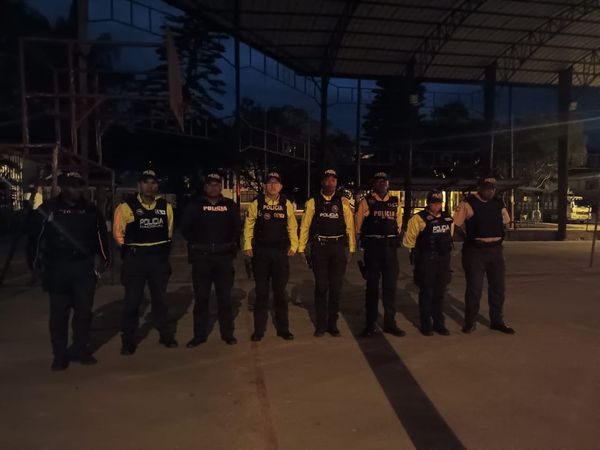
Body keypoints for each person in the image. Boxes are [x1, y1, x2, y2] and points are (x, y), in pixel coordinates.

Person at [31, 172, 110, 371]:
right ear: (63, 187)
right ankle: (59, 355)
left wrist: (104, 260)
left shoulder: (91, 210)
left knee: (84, 312)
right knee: (59, 314)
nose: (77, 189)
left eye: (79, 185)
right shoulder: (49, 208)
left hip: (83, 269)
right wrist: (36, 265)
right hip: (57, 268)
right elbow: (34, 239)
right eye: (72, 185)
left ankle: (81, 349)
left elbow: (102, 237)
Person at [113, 169, 178, 355]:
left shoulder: (165, 207)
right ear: (139, 185)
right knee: (132, 302)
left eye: (153, 182)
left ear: (157, 185)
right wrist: (132, 250)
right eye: (145, 182)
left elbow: (169, 232)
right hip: (136, 261)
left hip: (158, 260)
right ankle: (128, 341)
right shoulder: (126, 207)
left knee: (161, 301)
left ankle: (166, 336)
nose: (150, 186)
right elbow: (118, 234)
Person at [182, 173, 241, 347]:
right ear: (205, 187)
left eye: (216, 184)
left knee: (225, 299)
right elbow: (185, 228)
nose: (213, 188)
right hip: (202, 258)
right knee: (201, 299)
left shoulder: (229, 205)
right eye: (210, 184)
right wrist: (198, 243)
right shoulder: (195, 206)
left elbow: (237, 228)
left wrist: (229, 246)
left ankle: (227, 334)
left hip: (223, 258)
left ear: (221, 187)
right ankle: (199, 336)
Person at [453, 177, 515, 334]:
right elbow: (456, 225)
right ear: (479, 188)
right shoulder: (468, 203)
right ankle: (470, 322)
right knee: (475, 289)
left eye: (492, 188)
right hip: (476, 251)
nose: (490, 191)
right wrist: (469, 239)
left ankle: (497, 321)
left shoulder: (498, 203)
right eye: (487, 188)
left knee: (498, 288)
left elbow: (505, 222)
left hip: (495, 251)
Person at [298, 169, 356, 337]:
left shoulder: (343, 202)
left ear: (336, 183)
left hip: (338, 248)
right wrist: (301, 248)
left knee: (336, 288)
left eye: (333, 180)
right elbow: (305, 226)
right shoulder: (313, 202)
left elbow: (350, 226)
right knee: (321, 287)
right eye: (327, 180)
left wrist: (351, 248)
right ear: (322, 182)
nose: (330, 183)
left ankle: (332, 323)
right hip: (320, 248)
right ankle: (321, 324)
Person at [243, 172, 298, 341]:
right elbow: (249, 224)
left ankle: (283, 329)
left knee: (280, 293)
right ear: (265, 186)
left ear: (280, 186)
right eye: (269, 183)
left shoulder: (286, 203)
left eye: (276, 183)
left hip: (280, 253)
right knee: (261, 292)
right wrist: (247, 245)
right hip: (261, 253)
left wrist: (294, 245)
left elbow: (292, 225)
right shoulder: (257, 203)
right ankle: (259, 330)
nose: (273, 186)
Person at [355, 172, 405, 337]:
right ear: (374, 184)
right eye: (379, 180)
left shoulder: (395, 201)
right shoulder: (366, 201)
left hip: (390, 249)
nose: (383, 183)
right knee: (372, 288)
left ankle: (390, 323)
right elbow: (358, 225)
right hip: (373, 249)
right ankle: (370, 324)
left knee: (390, 288)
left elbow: (398, 224)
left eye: (385, 180)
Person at [403, 191, 453, 336]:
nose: (436, 205)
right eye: (433, 202)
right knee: (426, 293)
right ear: (428, 203)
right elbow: (409, 241)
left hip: (443, 261)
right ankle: (426, 324)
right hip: (426, 260)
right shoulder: (418, 218)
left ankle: (439, 324)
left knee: (440, 293)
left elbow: (449, 238)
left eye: (438, 203)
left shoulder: (447, 218)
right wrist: (416, 257)